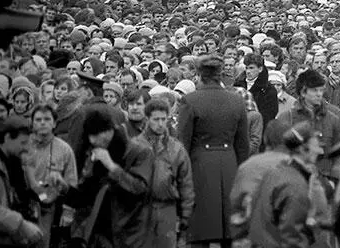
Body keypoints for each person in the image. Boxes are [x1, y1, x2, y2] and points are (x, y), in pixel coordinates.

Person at [176, 55, 250, 248]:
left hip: (199, 166)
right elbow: (243, 145)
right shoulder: (237, 101)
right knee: (229, 229)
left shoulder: (190, 100)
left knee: (201, 229)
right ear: (219, 76)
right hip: (229, 164)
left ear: (200, 76)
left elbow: (182, 141)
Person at [64, 107, 154, 248]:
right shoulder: (89, 149)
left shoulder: (139, 152)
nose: (93, 140)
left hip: (126, 229)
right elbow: (85, 191)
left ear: (109, 131)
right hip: (93, 228)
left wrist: (111, 166)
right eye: (90, 136)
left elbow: (140, 188)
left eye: (97, 134)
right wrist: (64, 189)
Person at [247, 122, 323, 248]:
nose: (320, 150)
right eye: (316, 146)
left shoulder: (277, 172)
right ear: (302, 149)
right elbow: (291, 234)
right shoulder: (295, 184)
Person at [135, 98, 195, 248]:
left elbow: (186, 184)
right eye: (156, 119)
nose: (160, 124)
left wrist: (185, 217)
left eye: (164, 119)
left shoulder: (176, 149)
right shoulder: (135, 146)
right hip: (139, 211)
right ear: (147, 118)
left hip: (167, 209)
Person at [275, 69, 340, 175]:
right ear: (303, 92)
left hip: (325, 180)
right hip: (295, 179)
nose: (319, 94)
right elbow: (278, 154)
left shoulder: (335, 118)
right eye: (314, 90)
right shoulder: (286, 118)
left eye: (321, 90)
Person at [0, 116, 45, 247]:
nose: (27, 148)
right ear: (7, 138)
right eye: (23, 143)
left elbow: (35, 196)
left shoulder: (17, 164)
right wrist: (21, 224)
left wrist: (44, 192)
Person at [25, 103, 77, 248]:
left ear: (54, 123)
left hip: (49, 210)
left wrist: (68, 212)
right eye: (38, 119)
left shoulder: (64, 150)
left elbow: (72, 184)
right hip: (22, 206)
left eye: (47, 119)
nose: (43, 123)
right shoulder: (22, 145)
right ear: (32, 122)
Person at [233, 53, 278, 129]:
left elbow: (270, 115)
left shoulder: (268, 89)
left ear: (260, 69)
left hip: (258, 130)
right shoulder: (237, 84)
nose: (248, 71)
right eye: (246, 68)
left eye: (251, 68)